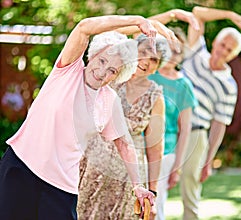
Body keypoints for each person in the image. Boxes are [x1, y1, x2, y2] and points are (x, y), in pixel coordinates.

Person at [0, 15, 171, 220]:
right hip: (22, 166)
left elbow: (125, 145)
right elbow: (84, 27)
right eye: (102, 61)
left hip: (61, 186)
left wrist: (139, 186)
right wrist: (137, 20)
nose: (101, 72)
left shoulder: (109, 100)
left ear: (117, 77)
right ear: (92, 55)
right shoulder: (68, 70)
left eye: (112, 71)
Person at [151, 6, 241, 219]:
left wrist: (209, 159)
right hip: (166, 127)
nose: (223, 51)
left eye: (229, 50)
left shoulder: (229, 85)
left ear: (234, 55)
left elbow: (219, 123)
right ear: (215, 42)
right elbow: (197, 14)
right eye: (222, 44)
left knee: (190, 190)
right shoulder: (196, 50)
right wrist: (231, 15)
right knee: (155, 184)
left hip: (195, 133)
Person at [77, 33, 171, 220]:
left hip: (127, 179)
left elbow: (155, 149)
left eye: (153, 59)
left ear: (157, 68)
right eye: (143, 52)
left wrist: (152, 192)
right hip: (89, 168)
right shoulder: (109, 76)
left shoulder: (155, 98)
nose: (146, 61)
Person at [148, 27, 199, 220]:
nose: (173, 55)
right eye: (169, 49)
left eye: (177, 51)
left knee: (155, 205)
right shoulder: (147, 73)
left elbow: (185, 130)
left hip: (166, 152)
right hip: (137, 149)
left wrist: (177, 166)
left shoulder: (183, 85)